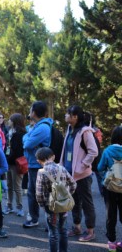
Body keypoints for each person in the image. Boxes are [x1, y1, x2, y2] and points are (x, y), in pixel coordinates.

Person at [59, 105, 98, 242]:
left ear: (75, 116)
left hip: (82, 175)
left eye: (67, 114)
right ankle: (77, 227)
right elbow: (66, 151)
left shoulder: (85, 131)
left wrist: (82, 166)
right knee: (74, 202)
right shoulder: (70, 129)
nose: (65, 116)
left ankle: (90, 231)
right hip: (70, 174)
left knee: (87, 203)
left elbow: (93, 151)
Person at [36, 147, 77, 252]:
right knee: (63, 230)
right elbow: (73, 184)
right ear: (53, 157)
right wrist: (66, 196)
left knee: (53, 233)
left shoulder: (41, 172)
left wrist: (43, 205)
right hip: (64, 205)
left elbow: (39, 194)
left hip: (51, 207)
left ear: (38, 161)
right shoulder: (61, 168)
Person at [22, 101, 53, 228]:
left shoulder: (42, 127)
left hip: (39, 165)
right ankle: (35, 218)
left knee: (43, 194)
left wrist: (28, 137)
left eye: (30, 110)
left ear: (34, 112)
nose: (29, 112)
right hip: (33, 164)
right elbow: (25, 138)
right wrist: (28, 136)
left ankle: (51, 220)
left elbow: (26, 144)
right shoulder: (36, 126)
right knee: (33, 193)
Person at [97, 125, 122, 251]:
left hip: (110, 187)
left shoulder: (107, 151)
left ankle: (112, 243)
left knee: (110, 214)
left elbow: (100, 167)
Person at [4, 113, 26, 217]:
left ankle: (19, 207)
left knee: (17, 186)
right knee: (9, 185)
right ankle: (9, 206)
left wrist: (8, 158)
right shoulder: (10, 132)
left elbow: (17, 151)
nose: (8, 121)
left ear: (15, 121)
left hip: (16, 163)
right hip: (9, 162)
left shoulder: (19, 134)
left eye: (10, 119)